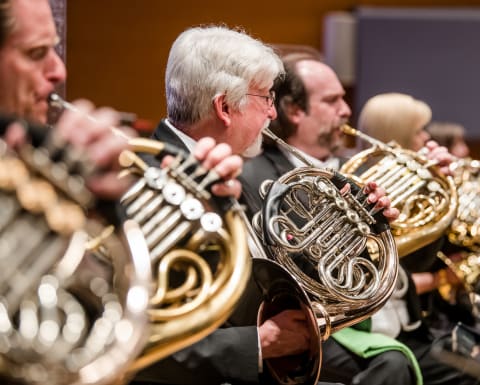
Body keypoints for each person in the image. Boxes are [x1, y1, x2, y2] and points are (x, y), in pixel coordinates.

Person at [129, 26, 401, 385]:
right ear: (225, 107)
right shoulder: (148, 185)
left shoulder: (232, 170)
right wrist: (257, 343)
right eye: (266, 98)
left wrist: (360, 227)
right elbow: (130, 341)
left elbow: (284, 271)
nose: (273, 113)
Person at [242, 55, 478, 385]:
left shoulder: (355, 169)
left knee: (471, 364)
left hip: (404, 327)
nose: (346, 110)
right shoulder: (255, 177)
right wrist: (359, 239)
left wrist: (434, 185)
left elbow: (413, 259)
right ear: (295, 110)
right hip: (334, 333)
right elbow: (281, 272)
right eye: (331, 100)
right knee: (392, 368)